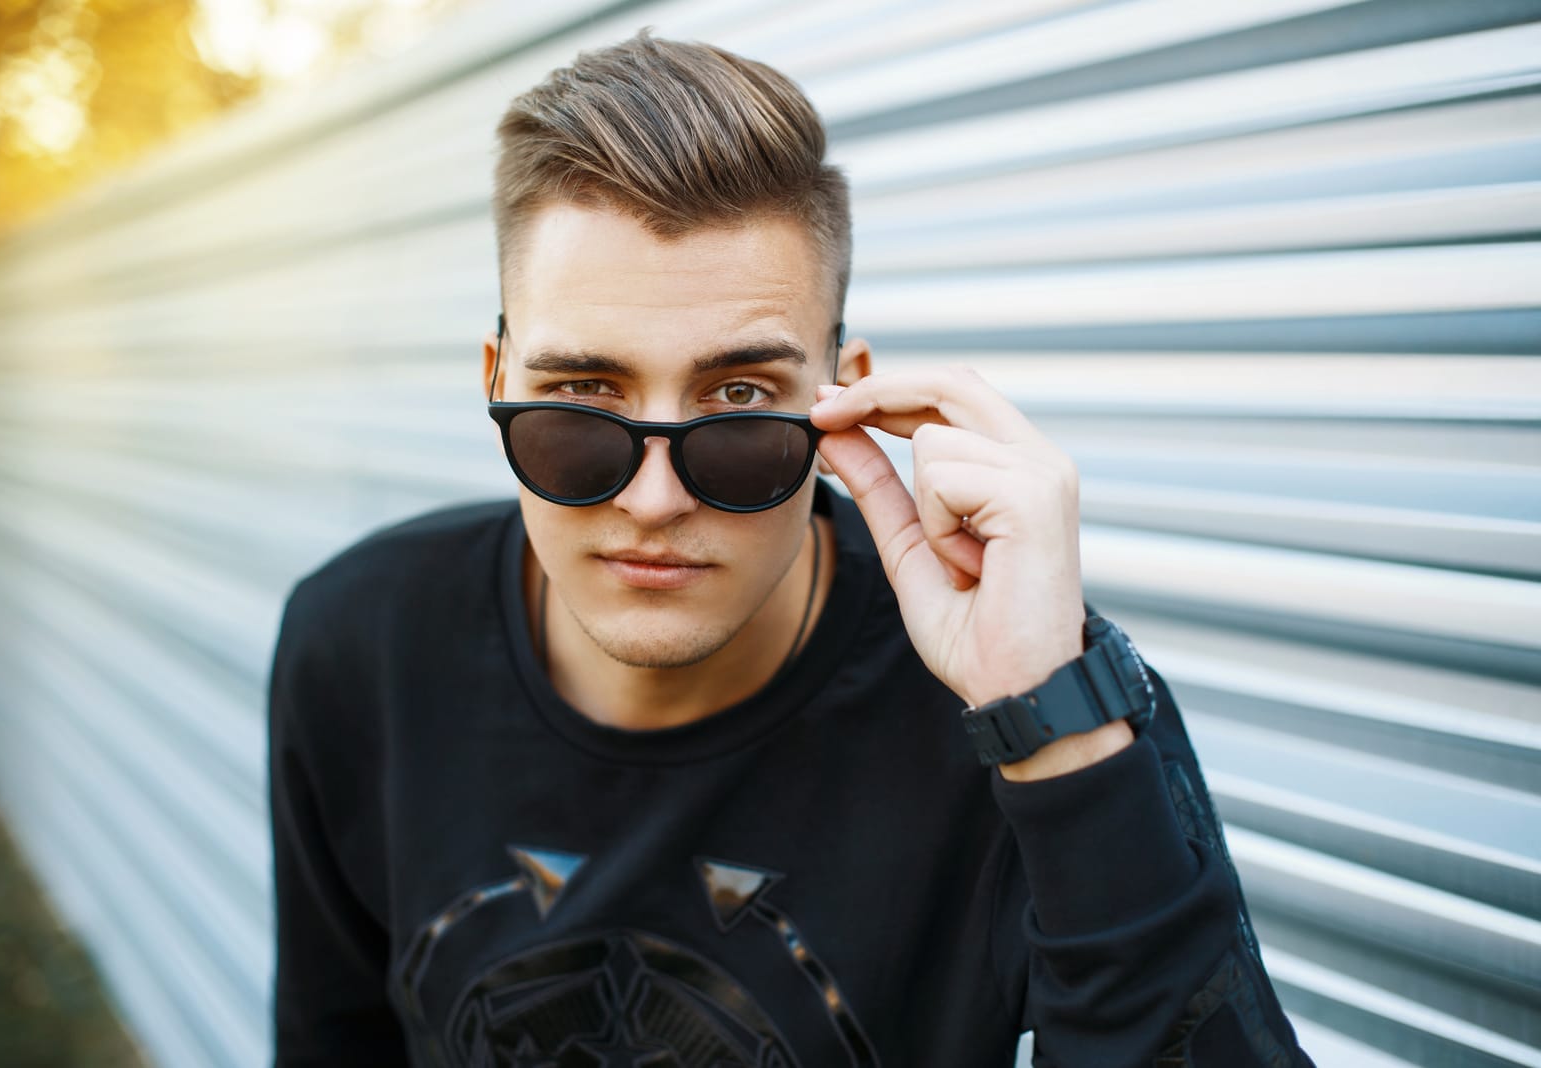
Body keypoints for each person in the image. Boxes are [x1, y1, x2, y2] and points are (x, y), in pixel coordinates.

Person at [268, 31, 1314, 1068]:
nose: (653, 497)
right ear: (497, 378)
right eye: (583, 399)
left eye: (738, 401)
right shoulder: (363, 645)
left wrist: (1053, 731)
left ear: (841, 398)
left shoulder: (1037, 700)